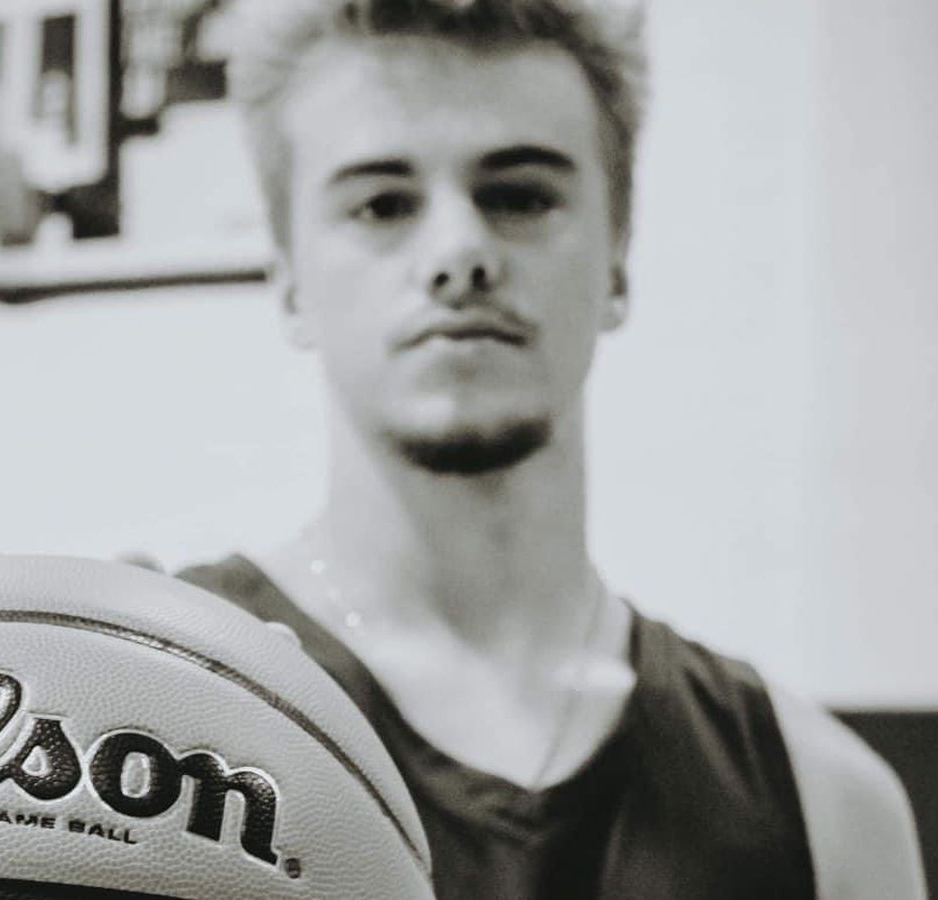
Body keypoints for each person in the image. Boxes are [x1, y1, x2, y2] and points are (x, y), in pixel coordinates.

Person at [169, 1, 928, 898]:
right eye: (382, 204)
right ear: (289, 278)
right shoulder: (153, 708)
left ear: (619, 258)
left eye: (520, 196)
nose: (459, 252)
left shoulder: (827, 806)